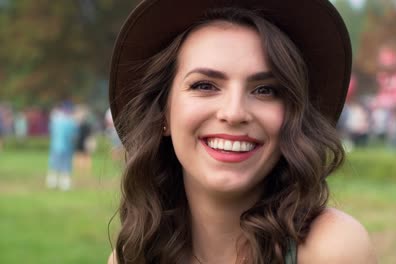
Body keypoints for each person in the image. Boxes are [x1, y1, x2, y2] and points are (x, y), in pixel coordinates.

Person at [108, 1, 377, 263]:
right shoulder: (134, 255)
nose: (234, 113)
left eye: (265, 90)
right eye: (205, 85)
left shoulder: (332, 250)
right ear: (163, 113)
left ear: (293, 116)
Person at [45, 102, 78, 191]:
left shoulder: (56, 120)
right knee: (66, 166)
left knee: (53, 165)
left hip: (55, 146)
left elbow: (51, 131)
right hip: (67, 147)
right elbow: (74, 136)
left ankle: (52, 183)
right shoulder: (71, 122)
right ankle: (64, 185)